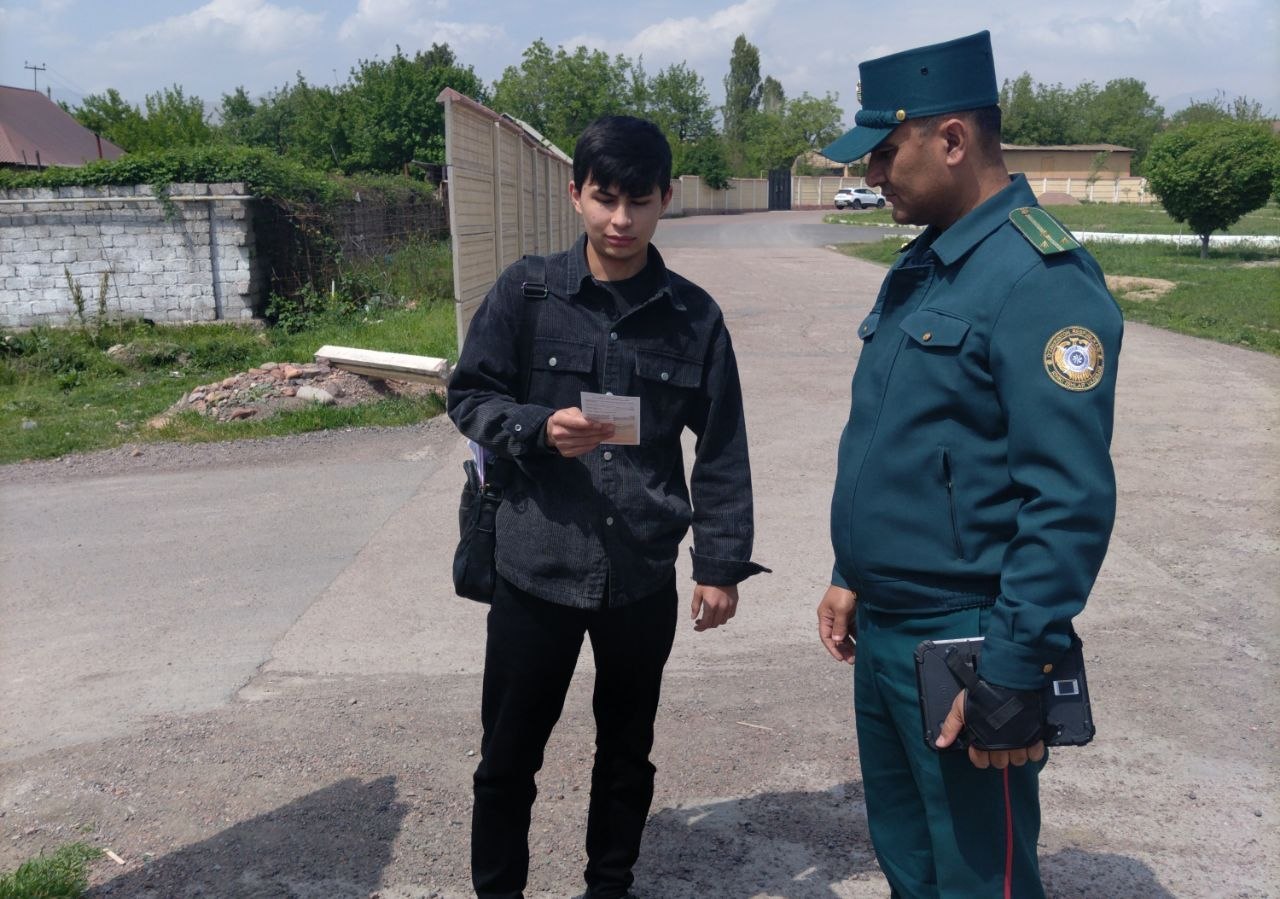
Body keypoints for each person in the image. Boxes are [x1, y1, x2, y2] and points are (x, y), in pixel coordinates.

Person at [814, 31, 1123, 898]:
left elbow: (1067, 499)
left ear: (951, 139)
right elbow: (903, 438)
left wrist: (1015, 667)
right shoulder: (930, 263)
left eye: (885, 153)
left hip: (970, 640)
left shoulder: (1039, 278)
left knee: (981, 876)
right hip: (888, 628)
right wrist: (850, 572)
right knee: (911, 863)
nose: (873, 174)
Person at [447, 114, 768, 899]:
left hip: (639, 575)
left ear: (665, 199)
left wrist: (720, 564)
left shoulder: (693, 317)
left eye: (639, 201)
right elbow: (470, 393)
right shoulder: (527, 293)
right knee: (507, 757)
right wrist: (534, 428)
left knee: (626, 752)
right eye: (604, 198)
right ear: (576, 195)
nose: (620, 220)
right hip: (536, 566)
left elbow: (721, 446)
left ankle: (609, 885)